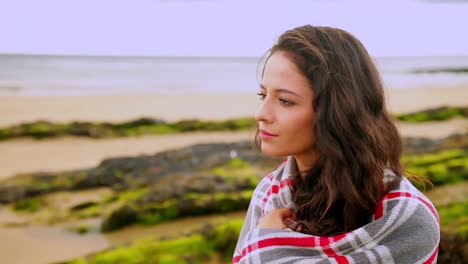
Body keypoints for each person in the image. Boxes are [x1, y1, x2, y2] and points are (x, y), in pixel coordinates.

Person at [233, 25, 440, 264]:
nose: (261, 113)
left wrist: (267, 245)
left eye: (285, 101)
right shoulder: (268, 195)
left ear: (336, 112)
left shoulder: (409, 219)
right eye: (263, 95)